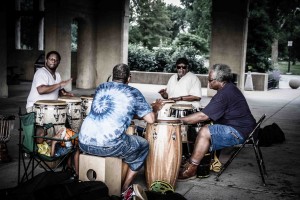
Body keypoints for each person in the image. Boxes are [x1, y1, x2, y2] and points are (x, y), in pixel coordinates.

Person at [78, 63, 163, 194]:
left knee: (123, 140)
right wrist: (155, 108)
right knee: (143, 145)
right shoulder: (133, 92)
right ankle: (124, 188)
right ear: (129, 78)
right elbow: (151, 119)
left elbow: (115, 110)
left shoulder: (101, 87)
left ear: (113, 76)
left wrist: (137, 115)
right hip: (109, 146)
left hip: (83, 142)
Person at [177, 63, 256, 180]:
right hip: (243, 128)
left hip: (240, 131)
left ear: (220, 80)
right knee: (205, 126)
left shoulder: (224, 93)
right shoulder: (229, 88)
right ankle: (192, 160)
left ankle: (191, 169)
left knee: (205, 131)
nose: (208, 84)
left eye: (210, 80)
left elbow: (203, 116)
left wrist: (177, 120)